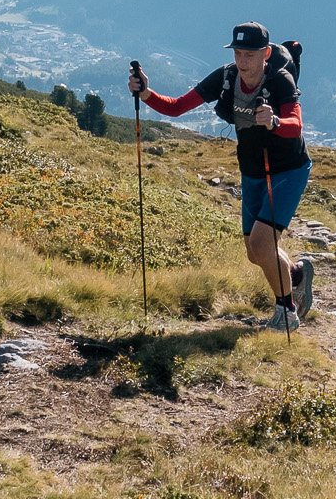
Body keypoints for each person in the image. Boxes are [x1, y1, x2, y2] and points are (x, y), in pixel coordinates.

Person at [129, 22, 313, 333]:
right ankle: (295, 276)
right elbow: (177, 107)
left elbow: (296, 124)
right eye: (239, 53)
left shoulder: (279, 80)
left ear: (266, 54)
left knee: (262, 241)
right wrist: (145, 92)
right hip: (253, 170)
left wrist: (275, 121)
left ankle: (287, 312)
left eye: (250, 55)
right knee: (255, 252)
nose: (243, 62)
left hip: (288, 170)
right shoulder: (227, 78)